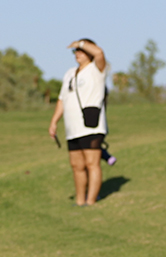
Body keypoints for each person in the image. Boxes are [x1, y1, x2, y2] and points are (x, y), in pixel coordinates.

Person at [49, 39, 109, 206]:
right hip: (72, 127)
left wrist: (80, 43)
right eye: (75, 51)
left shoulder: (96, 70)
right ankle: (80, 200)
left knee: (92, 163)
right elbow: (62, 99)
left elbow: (99, 53)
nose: (77, 54)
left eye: (80, 51)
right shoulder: (69, 73)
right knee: (77, 165)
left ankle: (91, 201)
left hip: (91, 125)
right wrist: (54, 121)